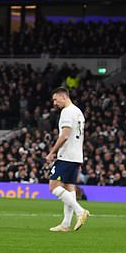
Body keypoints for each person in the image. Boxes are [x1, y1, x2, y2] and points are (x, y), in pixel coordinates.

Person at [46, 87, 90, 232]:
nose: (54, 103)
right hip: (76, 155)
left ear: (63, 96)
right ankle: (66, 224)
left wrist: (52, 152)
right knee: (69, 187)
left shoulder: (67, 112)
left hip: (66, 155)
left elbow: (64, 136)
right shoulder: (78, 112)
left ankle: (80, 211)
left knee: (53, 186)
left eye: (55, 99)